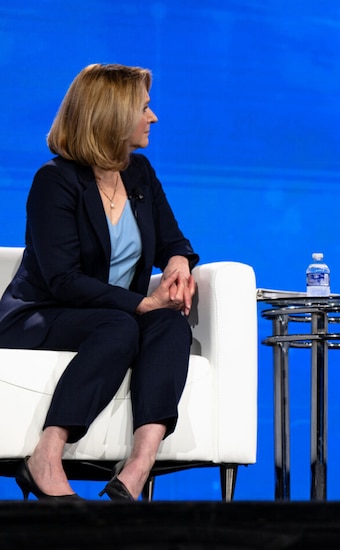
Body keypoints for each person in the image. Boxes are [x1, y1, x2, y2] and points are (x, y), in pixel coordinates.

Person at [0, 64, 198, 501]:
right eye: (144, 108)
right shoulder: (55, 181)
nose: (153, 117)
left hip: (111, 315)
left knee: (171, 326)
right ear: (111, 115)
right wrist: (141, 304)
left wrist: (179, 262)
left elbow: (171, 239)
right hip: (43, 314)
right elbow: (62, 279)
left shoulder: (139, 173)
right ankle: (45, 457)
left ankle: (138, 467)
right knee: (122, 324)